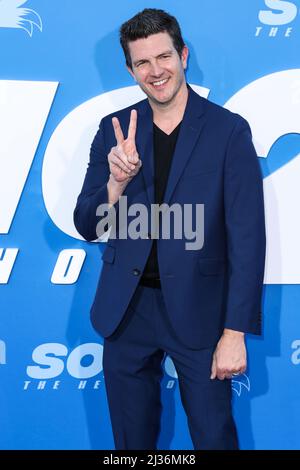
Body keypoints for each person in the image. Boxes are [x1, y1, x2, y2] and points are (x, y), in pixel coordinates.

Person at [73, 8, 266, 450]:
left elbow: (247, 238)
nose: (155, 71)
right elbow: (87, 224)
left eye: (164, 57)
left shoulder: (228, 131)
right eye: (143, 62)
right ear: (130, 69)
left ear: (183, 55)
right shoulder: (115, 131)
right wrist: (115, 184)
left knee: (215, 437)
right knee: (130, 444)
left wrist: (234, 333)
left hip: (201, 313)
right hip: (127, 311)